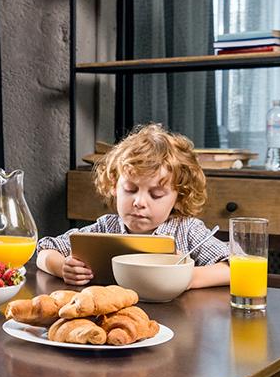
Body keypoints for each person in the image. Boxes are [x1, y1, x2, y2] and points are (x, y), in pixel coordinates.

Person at [36, 123, 230, 288]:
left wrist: (186, 277)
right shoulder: (106, 228)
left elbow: (233, 267)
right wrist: (62, 267)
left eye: (156, 194)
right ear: (114, 186)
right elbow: (44, 251)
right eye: (130, 189)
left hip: (175, 322)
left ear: (179, 197)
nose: (139, 202)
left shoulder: (187, 230)